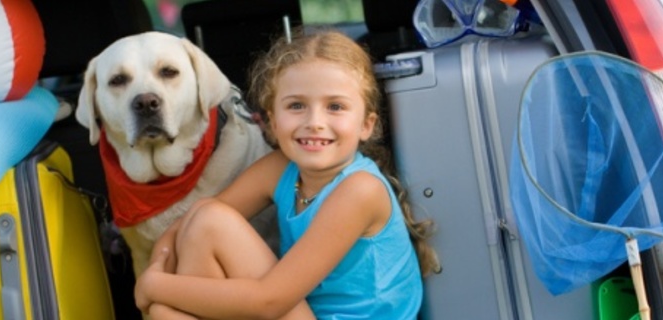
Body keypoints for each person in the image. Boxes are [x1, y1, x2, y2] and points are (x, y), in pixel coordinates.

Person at [134, 28, 441, 319]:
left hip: (280, 303)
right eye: (296, 106)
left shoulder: (360, 190)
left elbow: (269, 301)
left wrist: (153, 285)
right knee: (203, 223)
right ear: (272, 121)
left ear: (366, 125)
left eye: (335, 106)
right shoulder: (281, 169)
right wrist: (158, 262)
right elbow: (196, 218)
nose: (315, 122)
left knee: (206, 229)